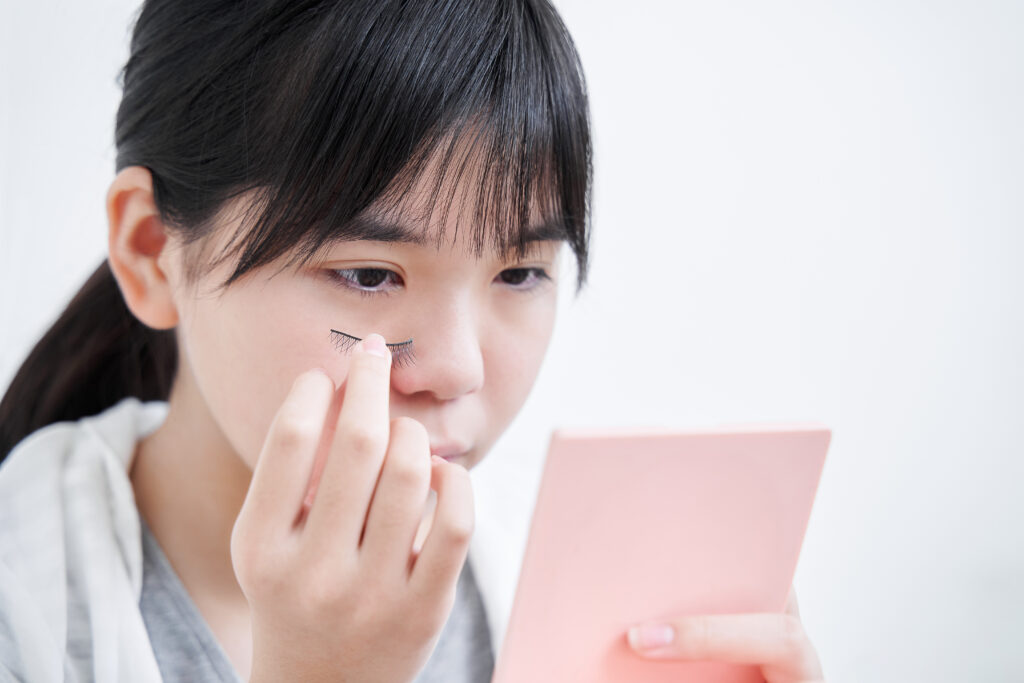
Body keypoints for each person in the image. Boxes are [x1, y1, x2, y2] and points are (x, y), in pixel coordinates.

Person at [0, 0, 828, 681]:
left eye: (519, 274)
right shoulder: (24, 599)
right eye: (369, 275)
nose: (460, 369)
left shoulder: (585, 596)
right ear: (151, 251)